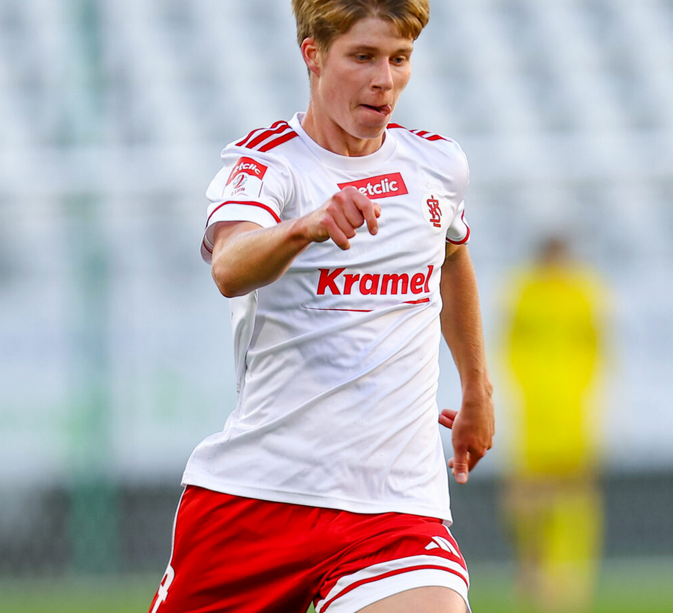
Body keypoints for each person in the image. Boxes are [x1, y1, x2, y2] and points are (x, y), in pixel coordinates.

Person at [148, 2, 494, 612]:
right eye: (363, 57)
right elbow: (229, 267)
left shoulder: (438, 165)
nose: (384, 80)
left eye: (399, 59)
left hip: (394, 509)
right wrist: (302, 228)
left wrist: (477, 389)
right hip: (259, 495)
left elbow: (450, 257)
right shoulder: (268, 162)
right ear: (313, 54)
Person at [502, 236, 606, 613]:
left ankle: (572, 573)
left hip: (572, 409)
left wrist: (586, 392)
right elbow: (510, 347)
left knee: (575, 489)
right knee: (529, 493)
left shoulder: (583, 293)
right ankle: (535, 567)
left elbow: (597, 349)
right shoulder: (524, 293)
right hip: (535, 410)